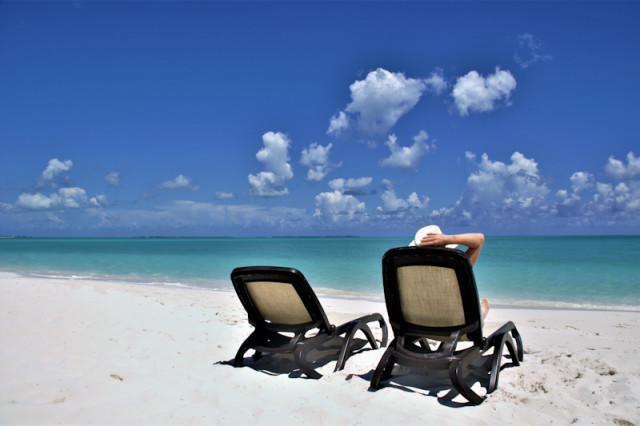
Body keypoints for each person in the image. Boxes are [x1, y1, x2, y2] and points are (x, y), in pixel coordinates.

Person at [410, 225, 490, 323]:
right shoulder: (456, 271)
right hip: (456, 326)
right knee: (475, 315)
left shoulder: (408, 273)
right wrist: (447, 239)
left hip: (418, 324)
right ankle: (481, 313)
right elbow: (479, 239)